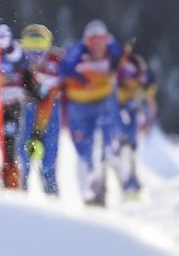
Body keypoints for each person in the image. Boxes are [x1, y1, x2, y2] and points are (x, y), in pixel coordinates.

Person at [61, 20, 127, 206]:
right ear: (87, 41)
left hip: (103, 103)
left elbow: (121, 63)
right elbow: (64, 69)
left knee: (109, 144)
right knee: (84, 151)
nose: (98, 46)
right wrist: (81, 78)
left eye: (101, 41)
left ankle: (113, 183)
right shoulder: (77, 52)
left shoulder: (112, 50)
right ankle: (87, 193)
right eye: (93, 41)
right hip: (79, 106)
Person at [16, 24, 64, 195]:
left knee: (49, 158)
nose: (36, 56)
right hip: (27, 109)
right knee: (23, 156)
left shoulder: (57, 60)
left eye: (40, 50)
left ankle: (51, 193)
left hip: (51, 110)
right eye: (31, 50)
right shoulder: (18, 59)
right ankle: (21, 191)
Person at [0, 23, 28, 188]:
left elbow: (26, 72)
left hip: (10, 107)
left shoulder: (16, 53)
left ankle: (11, 183)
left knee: (9, 146)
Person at [116, 44, 156, 198]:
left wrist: (147, 121)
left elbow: (149, 96)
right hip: (119, 112)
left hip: (133, 114)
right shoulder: (117, 67)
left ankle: (132, 182)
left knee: (131, 149)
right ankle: (124, 184)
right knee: (120, 150)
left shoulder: (138, 66)